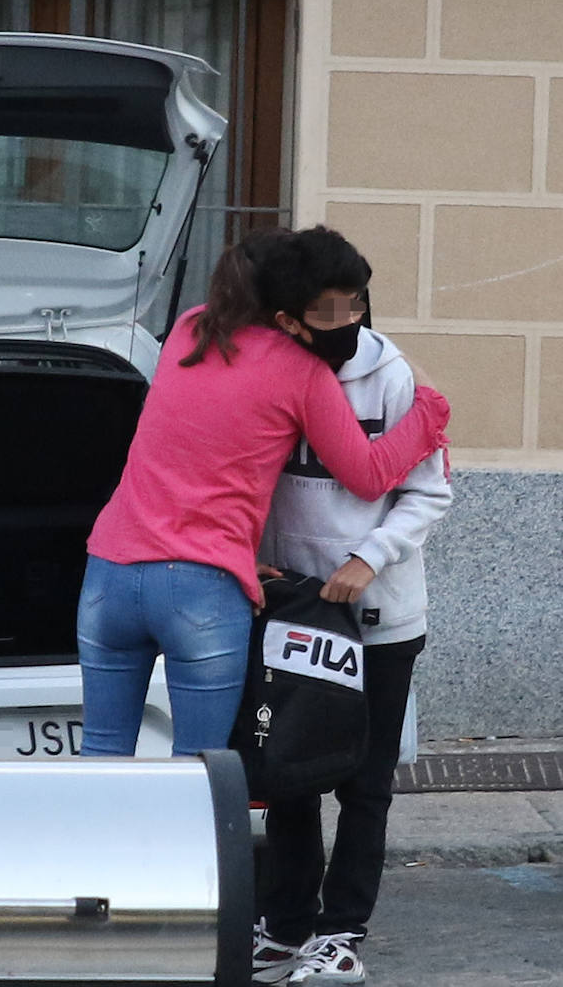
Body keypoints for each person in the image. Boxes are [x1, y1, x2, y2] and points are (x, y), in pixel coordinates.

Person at [75, 227, 450, 760]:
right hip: (201, 584)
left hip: (109, 571)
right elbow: (368, 476)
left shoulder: (189, 329)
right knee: (201, 767)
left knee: (102, 751)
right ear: (287, 312)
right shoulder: (300, 370)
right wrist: (431, 410)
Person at [251, 228, 452, 987]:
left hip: (381, 619)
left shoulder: (391, 376)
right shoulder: (270, 372)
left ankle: (342, 934)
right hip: (294, 613)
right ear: (287, 317)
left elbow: (429, 489)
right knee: (289, 776)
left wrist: (369, 558)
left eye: (356, 304)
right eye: (327, 309)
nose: (346, 321)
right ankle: (286, 926)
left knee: (366, 786)